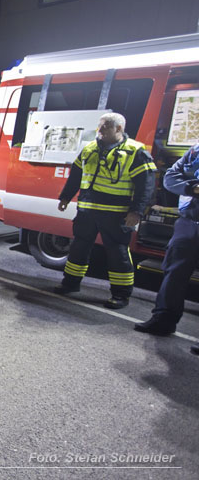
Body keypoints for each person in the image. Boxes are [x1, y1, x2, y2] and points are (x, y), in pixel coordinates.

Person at [54, 112, 157, 309]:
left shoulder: (135, 151)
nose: (99, 130)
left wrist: (136, 212)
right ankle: (70, 284)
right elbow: (76, 175)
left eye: (105, 127)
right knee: (78, 249)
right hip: (87, 211)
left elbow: (146, 185)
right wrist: (65, 197)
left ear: (118, 129)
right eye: (99, 126)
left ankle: (120, 295)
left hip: (117, 214)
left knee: (117, 253)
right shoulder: (89, 148)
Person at [134, 142, 199, 354]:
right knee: (174, 271)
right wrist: (192, 187)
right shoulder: (196, 150)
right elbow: (171, 177)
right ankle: (163, 320)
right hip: (189, 222)